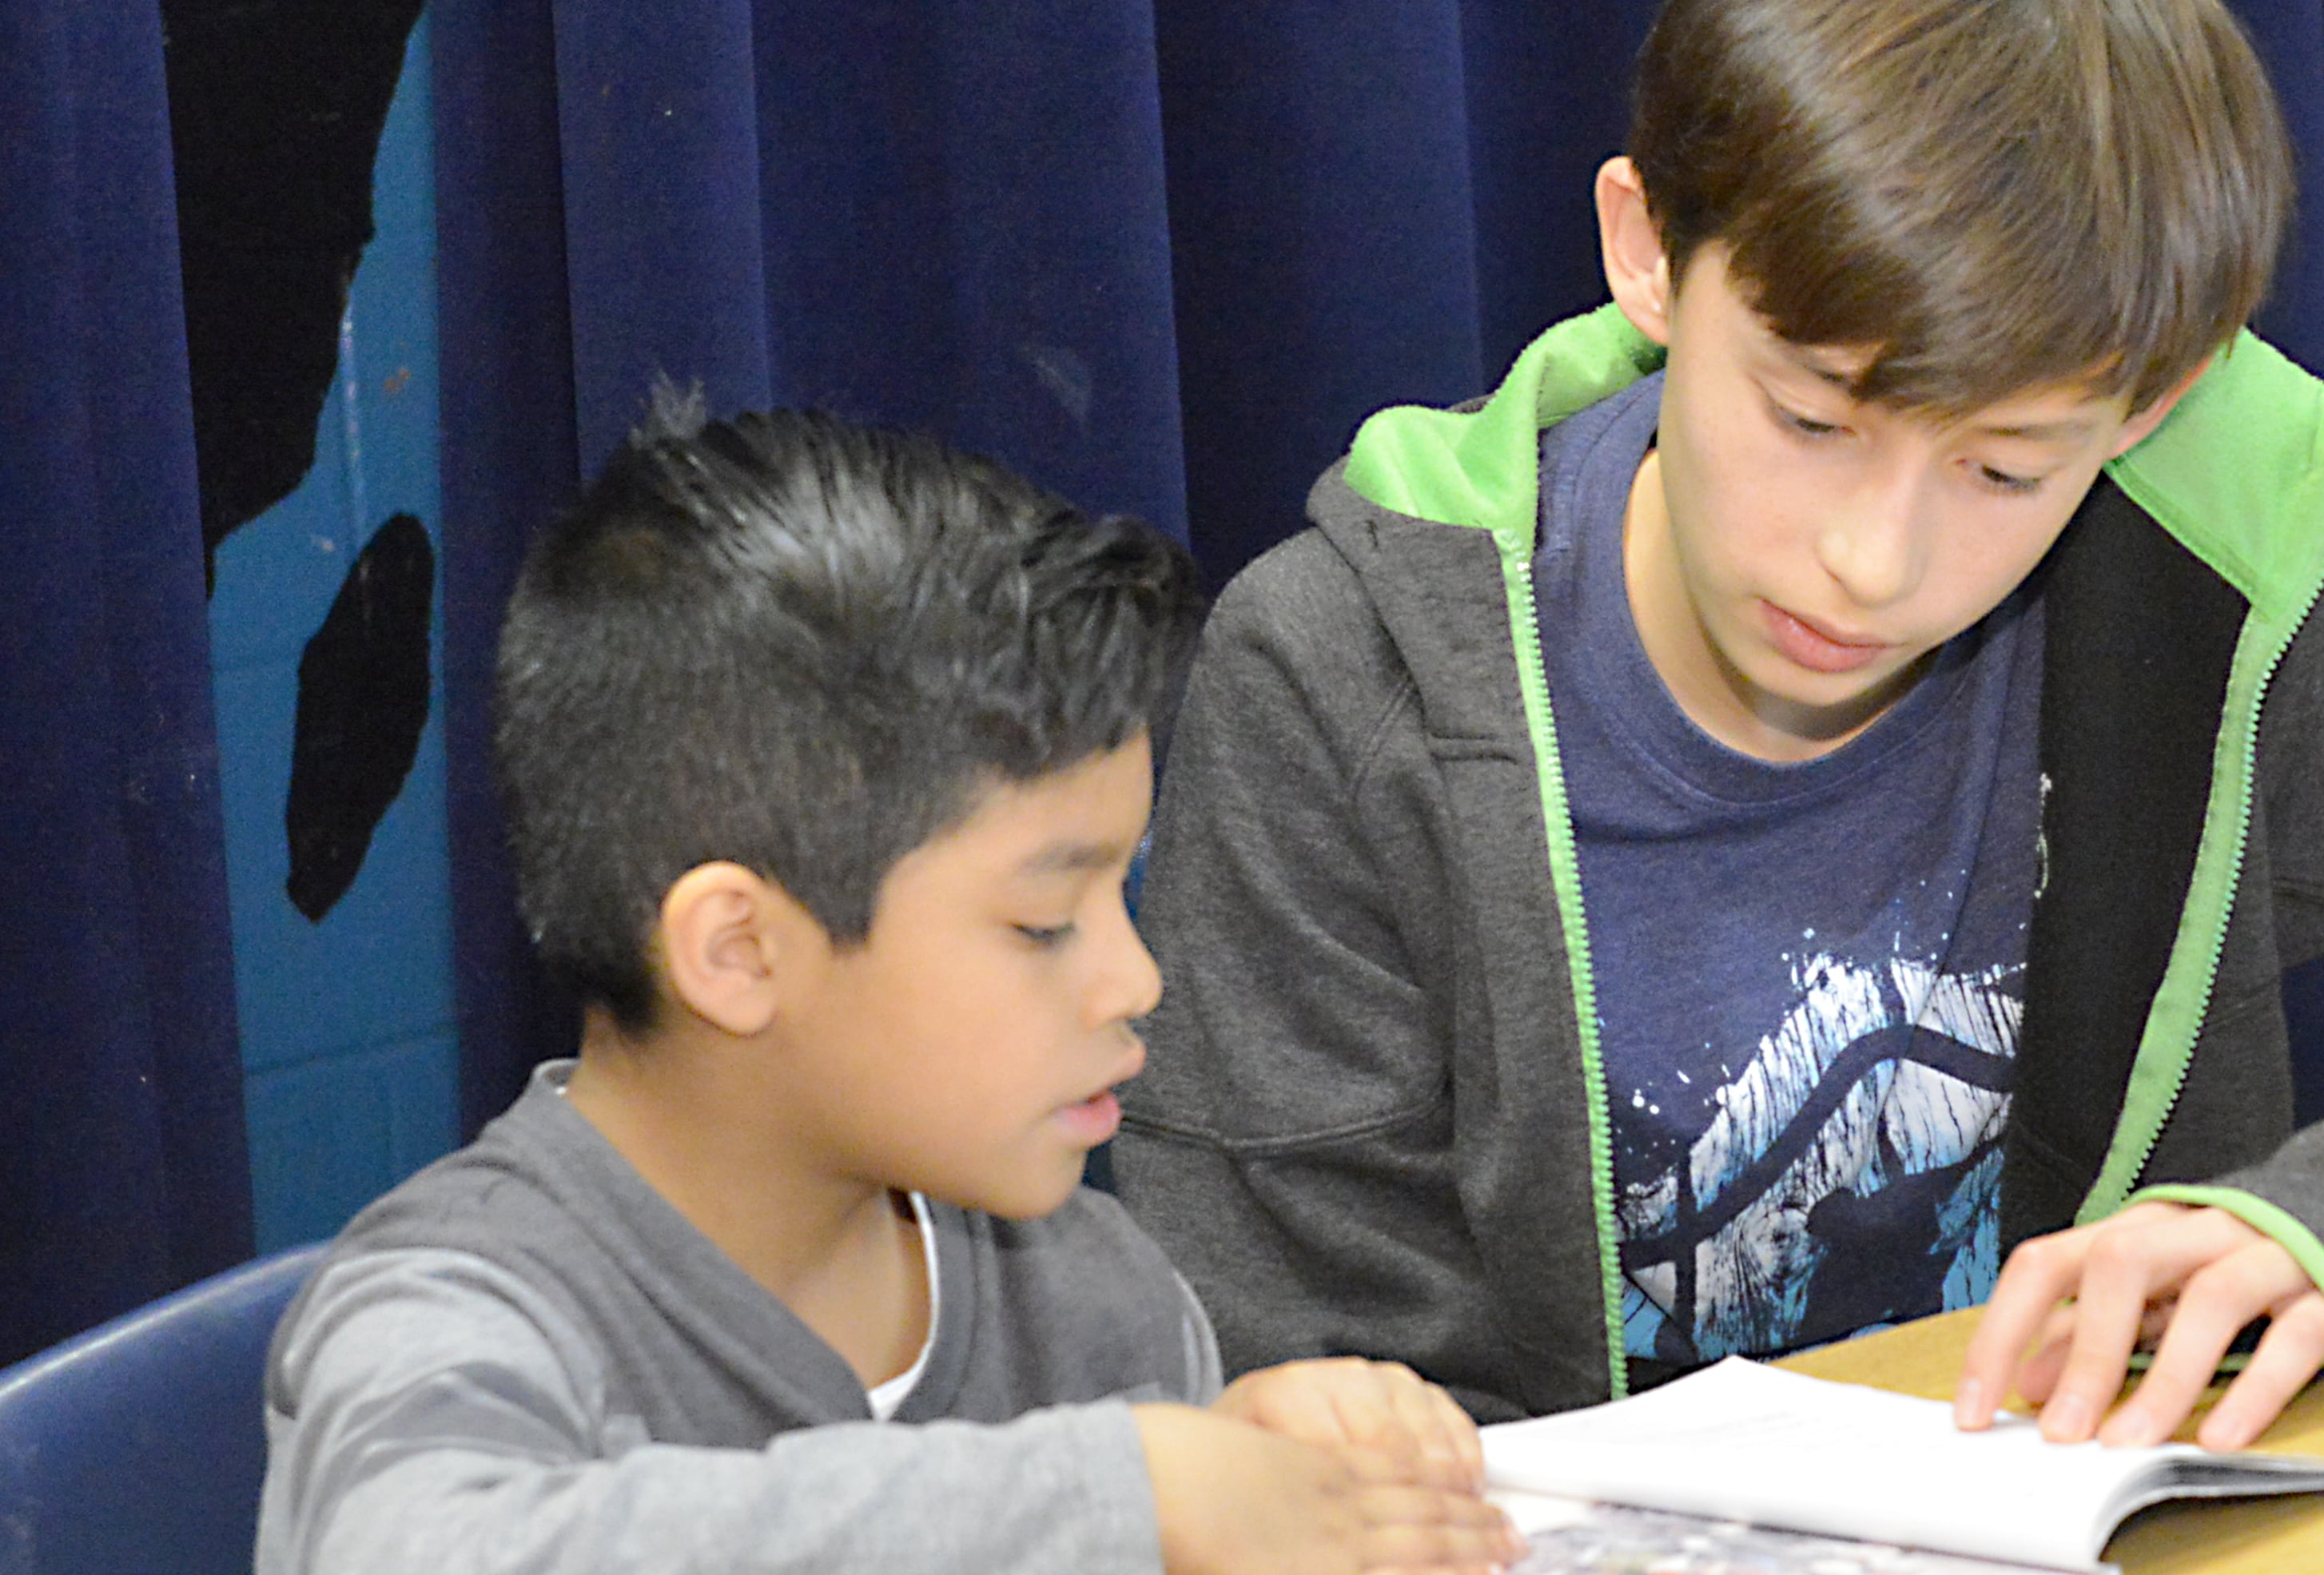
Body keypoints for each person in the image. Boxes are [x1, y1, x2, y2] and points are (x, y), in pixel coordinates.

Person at [1112, 0, 2324, 1454]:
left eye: (2005, 468)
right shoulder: (1345, 677)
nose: (1876, 560)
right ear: (1649, 256)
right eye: (1814, 418)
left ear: (2146, 405)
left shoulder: (2225, 545)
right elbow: (1299, 1396)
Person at [256, 396, 1525, 1575]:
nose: (1135, 979)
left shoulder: (1095, 1297)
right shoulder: (452, 1308)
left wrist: (1262, 1481)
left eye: (1117, 898)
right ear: (739, 953)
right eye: (1041, 922)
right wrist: (1132, 1497)